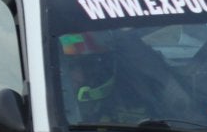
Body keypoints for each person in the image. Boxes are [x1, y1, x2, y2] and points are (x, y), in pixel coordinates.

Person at [58, 31, 186, 125]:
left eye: (87, 66)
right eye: (70, 67)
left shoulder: (135, 100)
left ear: (101, 68)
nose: (78, 76)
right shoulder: (47, 110)